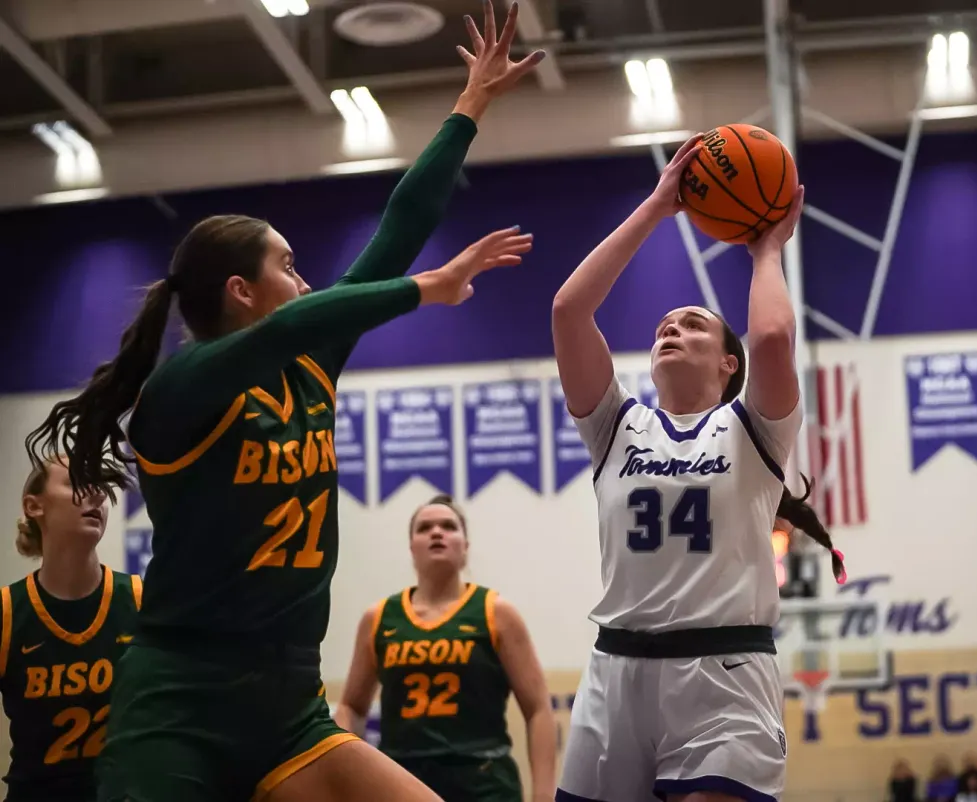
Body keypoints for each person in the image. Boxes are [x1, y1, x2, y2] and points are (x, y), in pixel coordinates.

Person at [22, 4, 543, 800]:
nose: (305, 282)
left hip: (288, 705)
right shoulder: (181, 389)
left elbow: (401, 224)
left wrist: (468, 107)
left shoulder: (309, 364)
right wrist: (421, 292)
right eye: (290, 266)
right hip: (180, 705)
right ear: (241, 292)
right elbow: (298, 321)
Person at [550, 133, 820, 802]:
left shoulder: (753, 429)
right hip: (617, 668)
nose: (672, 329)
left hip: (723, 670)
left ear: (730, 363)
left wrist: (767, 251)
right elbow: (568, 309)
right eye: (665, 325)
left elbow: (776, 337)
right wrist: (656, 207)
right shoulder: (616, 426)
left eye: (694, 324)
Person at [333, 494, 555, 802]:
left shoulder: (496, 613)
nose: (437, 532)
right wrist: (346, 771)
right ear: (411, 547)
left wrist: (543, 795)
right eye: (424, 528)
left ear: (465, 547)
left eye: (449, 526)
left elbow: (538, 709)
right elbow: (352, 707)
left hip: (482, 777)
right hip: (401, 778)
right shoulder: (379, 618)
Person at [0, 458, 142, 802]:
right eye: (77, 481)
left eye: (101, 485)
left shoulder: (139, 600)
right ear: (34, 506)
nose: (96, 492)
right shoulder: (7, 611)